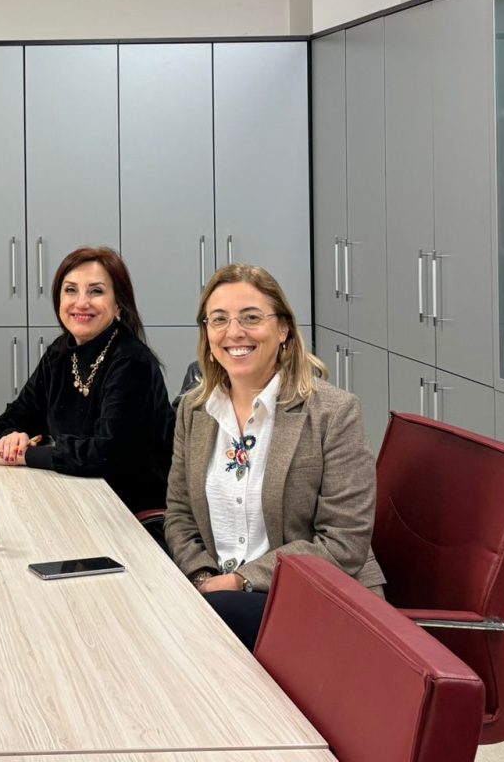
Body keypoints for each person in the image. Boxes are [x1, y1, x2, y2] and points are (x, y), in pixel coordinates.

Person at [164, 262, 383, 652]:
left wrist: (239, 581)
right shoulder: (194, 411)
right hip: (216, 595)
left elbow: (343, 542)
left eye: (251, 318)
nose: (234, 332)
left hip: (312, 598)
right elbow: (179, 514)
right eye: (219, 320)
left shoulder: (333, 413)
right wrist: (203, 578)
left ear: (283, 329)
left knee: (178, 633)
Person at [0, 246, 173, 522]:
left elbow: (105, 454)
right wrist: (14, 437)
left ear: (118, 305)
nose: (81, 303)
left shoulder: (132, 362)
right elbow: (7, 421)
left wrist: (26, 455)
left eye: (96, 291)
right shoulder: (61, 352)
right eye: (70, 290)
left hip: (127, 515)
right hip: (72, 498)